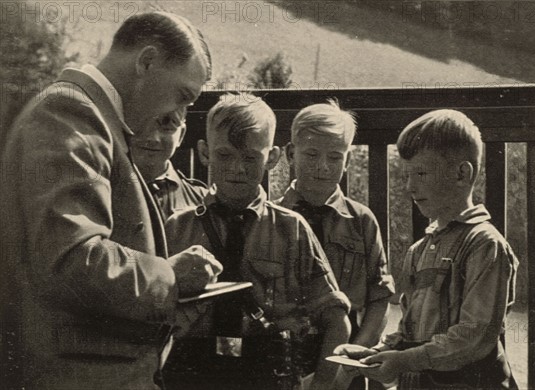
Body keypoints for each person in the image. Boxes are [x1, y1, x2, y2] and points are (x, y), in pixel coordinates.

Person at [0, 12, 222, 390]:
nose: (177, 115)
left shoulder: (92, 118)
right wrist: (170, 276)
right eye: (183, 96)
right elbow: (70, 259)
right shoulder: (70, 114)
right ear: (146, 62)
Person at [164, 93, 352, 390]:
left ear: (273, 158)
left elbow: (336, 320)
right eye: (225, 155)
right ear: (204, 153)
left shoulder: (291, 230)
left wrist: (322, 386)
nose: (238, 169)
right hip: (190, 373)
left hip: (268, 373)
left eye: (250, 157)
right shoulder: (177, 228)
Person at [334, 109, 519, 389]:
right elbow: (408, 330)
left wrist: (406, 361)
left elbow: (475, 338)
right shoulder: (419, 250)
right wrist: (375, 355)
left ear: (461, 174)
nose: (409, 185)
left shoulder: (485, 244)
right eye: (407, 175)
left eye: (420, 173)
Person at [275, 100, 394, 389]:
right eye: (312, 154)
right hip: (285, 353)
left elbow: (380, 299)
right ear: (291, 154)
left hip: (345, 355)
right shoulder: (271, 217)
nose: (322, 167)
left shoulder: (361, 220)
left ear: (348, 160)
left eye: (335, 157)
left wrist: (348, 365)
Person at [131, 107, 208, 221]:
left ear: (181, 135)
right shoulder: (100, 192)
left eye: (166, 126)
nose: (153, 139)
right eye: (141, 123)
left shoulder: (203, 201)